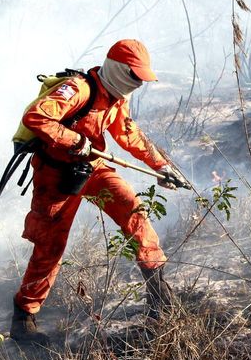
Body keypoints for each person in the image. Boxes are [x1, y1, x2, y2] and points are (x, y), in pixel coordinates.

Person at [10, 39, 184, 341]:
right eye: (135, 76)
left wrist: (161, 166)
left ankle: (160, 299)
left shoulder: (117, 99)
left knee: (136, 216)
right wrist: (74, 141)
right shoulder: (78, 89)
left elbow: (129, 135)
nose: (139, 83)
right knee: (50, 247)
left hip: (93, 168)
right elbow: (36, 116)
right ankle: (24, 319)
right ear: (119, 69)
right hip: (55, 175)